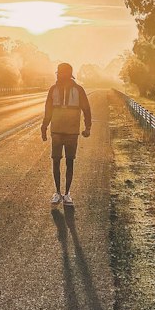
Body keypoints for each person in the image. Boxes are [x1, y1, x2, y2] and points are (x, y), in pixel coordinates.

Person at [41, 62, 91, 208]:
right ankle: (57, 192)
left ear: (68, 74)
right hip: (56, 131)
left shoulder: (79, 90)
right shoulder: (53, 89)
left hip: (72, 132)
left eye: (61, 73)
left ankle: (67, 193)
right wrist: (44, 127)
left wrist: (88, 127)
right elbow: (48, 110)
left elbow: (87, 110)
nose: (58, 75)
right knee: (56, 161)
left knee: (70, 162)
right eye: (58, 73)